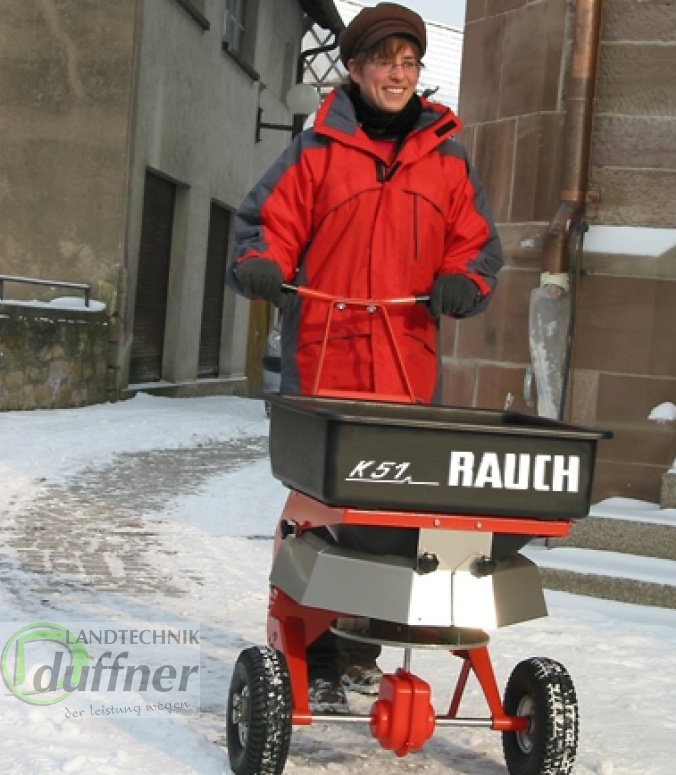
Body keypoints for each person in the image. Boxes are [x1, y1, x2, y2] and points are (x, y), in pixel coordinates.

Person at [226, 2, 503, 713]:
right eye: (385, 61)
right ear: (355, 69)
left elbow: (477, 246)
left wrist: (463, 282)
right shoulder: (317, 147)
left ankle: (357, 648)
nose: (399, 74)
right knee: (323, 514)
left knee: (389, 517)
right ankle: (312, 651)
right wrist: (261, 262)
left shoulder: (445, 154)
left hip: (406, 365)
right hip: (325, 359)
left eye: (410, 63)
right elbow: (268, 222)